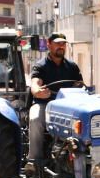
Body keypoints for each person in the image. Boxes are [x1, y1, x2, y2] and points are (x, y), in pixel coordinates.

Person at [28, 33, 82, 166]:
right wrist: (38, 92)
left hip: (68, 107)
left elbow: (80, 85)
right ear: (49, 45)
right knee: (35, 119)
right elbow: (35, 83)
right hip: (45, 104)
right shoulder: (40, 66)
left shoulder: (72, 66)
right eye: (57, 43)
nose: (61, 46)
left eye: (63, 44)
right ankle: (34, 161)